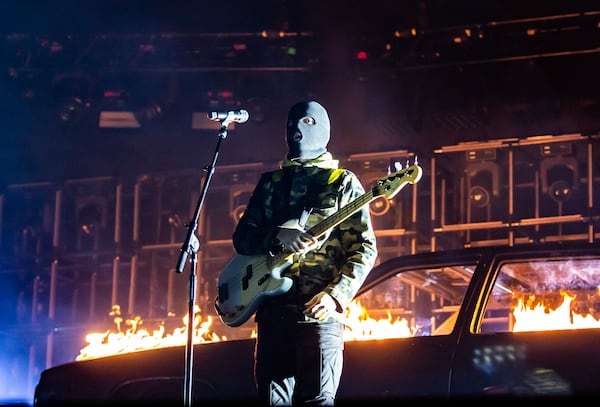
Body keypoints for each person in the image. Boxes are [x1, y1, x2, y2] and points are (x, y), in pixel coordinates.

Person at [231, 100, 378, 405]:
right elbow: (243, 238)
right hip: (273, 315)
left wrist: (336, 295)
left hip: (319, 318)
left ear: (323, 130)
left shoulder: (342, 183)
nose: (298, 129)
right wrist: (276, 236)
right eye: (293, 123)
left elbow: (364, 248)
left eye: (308, 123)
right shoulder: (270, 184)